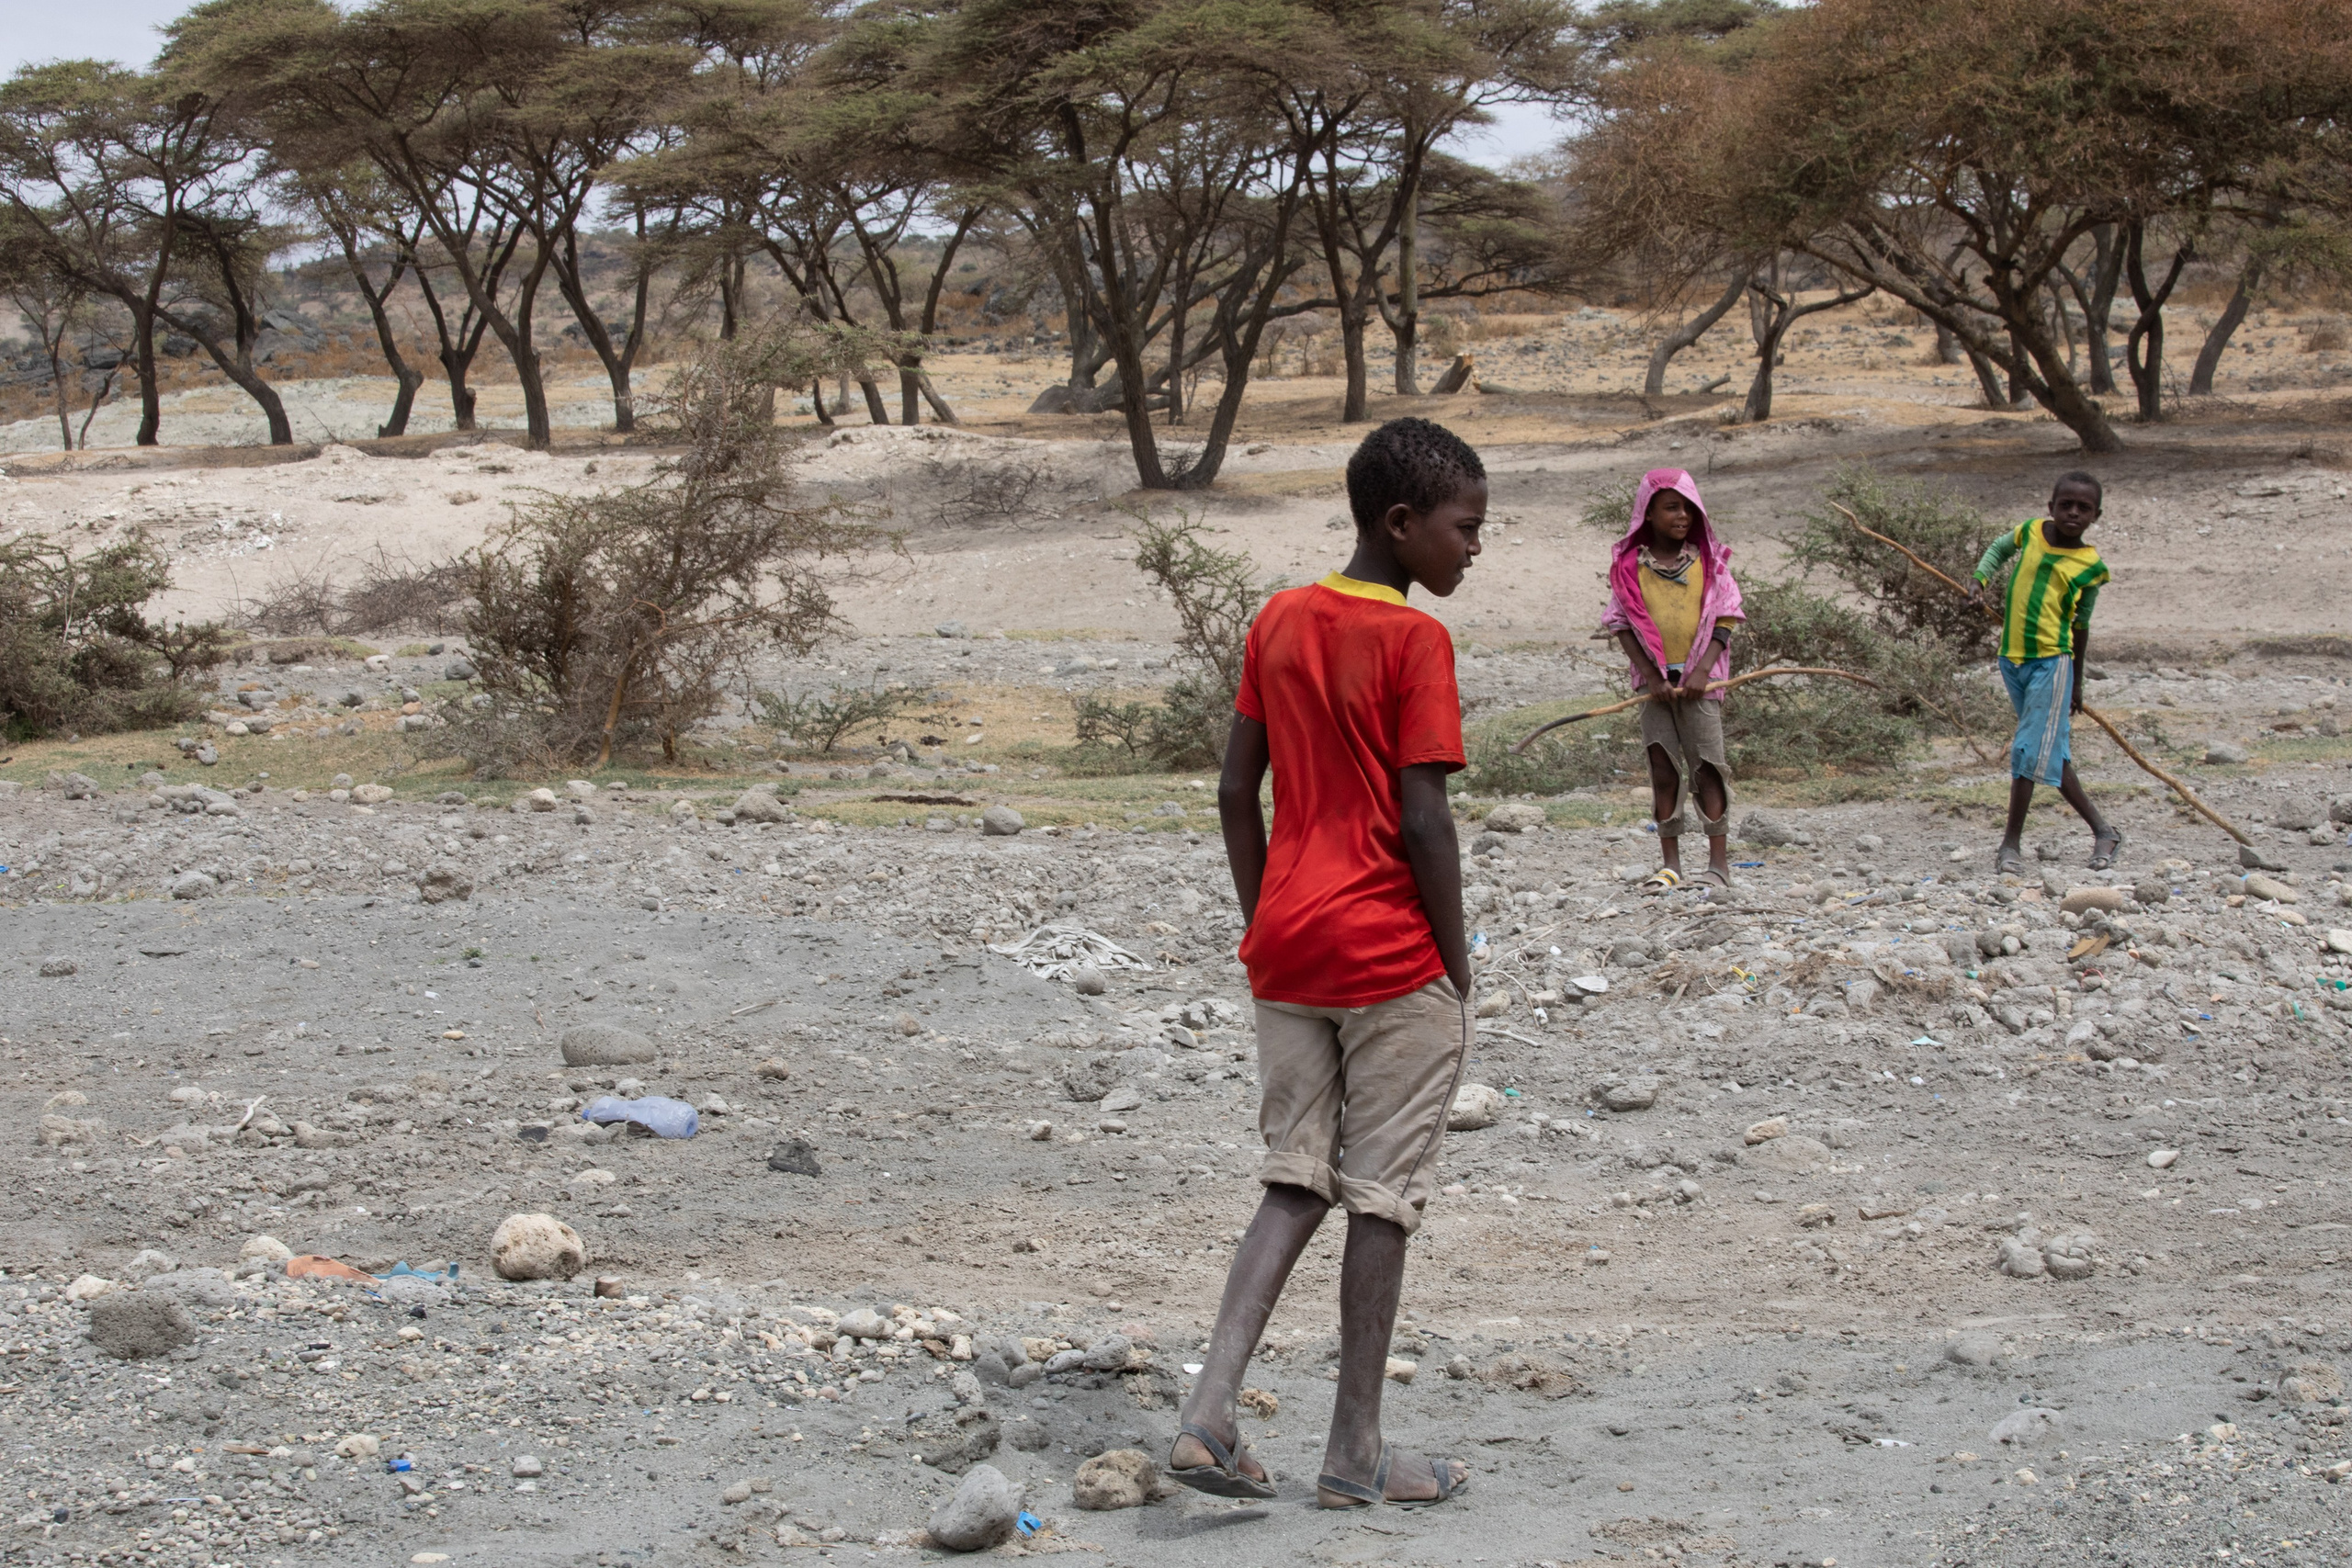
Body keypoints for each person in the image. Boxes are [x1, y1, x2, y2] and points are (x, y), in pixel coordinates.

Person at [1169, 417, 1482, 1512]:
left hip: (1287, 947)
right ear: (1401, 526)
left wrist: (1268, 922)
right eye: (1463, 528)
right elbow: (1424, 814)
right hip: (1390, 952)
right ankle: (1353, 1450)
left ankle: (1208, 1413)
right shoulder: (1414, 643)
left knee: (1288, 1182)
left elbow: (1229, 793)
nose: (1473, 549)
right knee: (1381, 1199)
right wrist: (1456, 963)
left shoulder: (1278, 617)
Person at [1600, 468, 1745, 892]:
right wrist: (1649, 677)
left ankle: (1718, 865)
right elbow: (1619, 622)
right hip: (1654, 688)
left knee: (1708, 768)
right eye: (1671, 507)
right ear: (1648, 514)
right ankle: (1671, 865)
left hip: (1703, 683)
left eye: (1688, 507)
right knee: (1663, 768)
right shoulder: (1630, 568)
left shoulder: (1709, 562)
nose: (1682, 515)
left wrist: (1702, 671)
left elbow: (1727, 615)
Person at [1971, 470, 2120, 874]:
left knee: (2025, 750)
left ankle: (2009, 846)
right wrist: (1979, 580)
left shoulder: (2091, 566)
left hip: (2053, 663)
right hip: (2011, 659)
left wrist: (2076, 683)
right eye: (2065, 505)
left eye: (2083, 508)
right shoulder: (2031, 532)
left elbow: (2081, 625)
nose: (2073, 513)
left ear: (2096, 515)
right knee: (2050, 751)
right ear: (2049, 507)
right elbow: (1998, 550)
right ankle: (2104, 832)